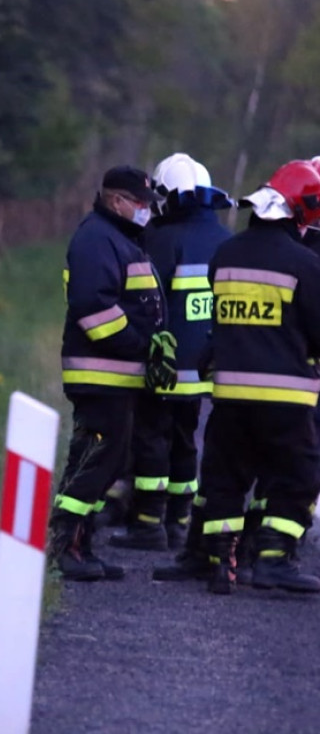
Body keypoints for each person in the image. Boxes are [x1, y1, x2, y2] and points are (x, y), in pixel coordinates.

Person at [168, 160, 320, 594]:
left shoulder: (226, 254)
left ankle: (220, 562)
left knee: (224, 478)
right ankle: (273, 561)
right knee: (297, 477)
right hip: (286, 399)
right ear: (298, 213)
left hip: (230, 393)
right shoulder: (305, 265)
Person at [51, 165, 174, 581]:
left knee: (110, 461)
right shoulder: (96, 239)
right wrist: (143, 344)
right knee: (93, 460)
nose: (146, 212)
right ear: (117, 201)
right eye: (140, 204)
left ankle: (81, 546)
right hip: (100, 375)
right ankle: (62, 545)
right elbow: (94, 310)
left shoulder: (119, 239)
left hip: (118, 377)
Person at [110, 154, 232, 552]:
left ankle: (148, 524)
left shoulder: (160, 240)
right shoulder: (224, 240)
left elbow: (143, 299)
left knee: (151, 440)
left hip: (163, 365)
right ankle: (179, 522)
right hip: (204, 369)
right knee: (186, 440)